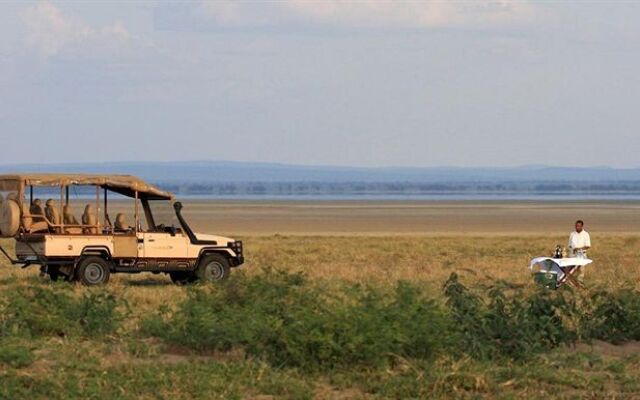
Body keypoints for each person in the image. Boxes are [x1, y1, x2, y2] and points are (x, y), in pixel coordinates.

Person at [568, 220, 591, 284]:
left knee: (581, 271)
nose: (577, 227)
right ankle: (572, 283)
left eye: (578, 226)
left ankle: (579, 284)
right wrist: (572, 249)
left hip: (581, 256)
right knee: (571, 270)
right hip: (572, 255)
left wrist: (578, 249)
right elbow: (569, 245)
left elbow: (588, 246)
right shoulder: (572, 234)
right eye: (576, 226)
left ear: (582, 226)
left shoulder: (586, 234)